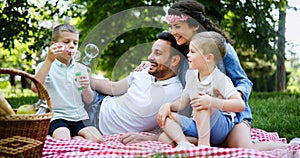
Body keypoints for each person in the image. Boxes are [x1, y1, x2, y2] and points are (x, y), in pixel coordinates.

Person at [128, 0, 295, 150]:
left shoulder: (218, 48)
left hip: (231, 114)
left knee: (243, 146)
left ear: (194, 25)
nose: (173, 32)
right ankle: (198, 142)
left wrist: (229, 98)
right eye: (171, 27)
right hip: (199, 115)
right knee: (173, 134)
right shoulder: (184, 49)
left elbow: (243, 81)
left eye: (177, 26)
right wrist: (149, 65)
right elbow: (163, 59)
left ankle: (288, 145)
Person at [84, 32, 188, 136]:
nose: (150, 57)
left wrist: (149, 139)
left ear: (174, 60)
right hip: (98, 100)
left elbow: (175, 128)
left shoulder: (176, 94)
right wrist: (87, 79)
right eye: (152, 52)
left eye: (158, 53)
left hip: (97, 122)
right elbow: (113, 88)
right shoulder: (144, 70)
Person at [157, 31, 245, 149]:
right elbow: (182, 103)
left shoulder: (220, 79)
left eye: (192, 52)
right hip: (198, 125)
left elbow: (240, 105)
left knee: (202, 104)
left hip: (219, 128)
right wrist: (168, 106)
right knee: (165, 127)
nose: (188, 55)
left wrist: (211, 102)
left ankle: (204, 146)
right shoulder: (191, 76)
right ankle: (185, 143)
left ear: (208, 58)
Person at [31, 24, 103, 143]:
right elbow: (35, 88)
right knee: (63, 138)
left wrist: (86, 88)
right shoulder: (45, 66)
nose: (71, 45)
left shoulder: (80, 69)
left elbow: (89, 100)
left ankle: (75, 139)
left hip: (79, 116)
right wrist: (49, 60)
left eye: (75, 43)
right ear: (54, 45)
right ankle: (72, 139)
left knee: (97, 138)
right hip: (57, 116)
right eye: (66, 41)